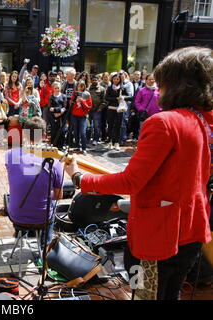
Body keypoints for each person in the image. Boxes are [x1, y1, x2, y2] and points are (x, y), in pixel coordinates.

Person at [66, 46, 213, 300]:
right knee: (171, 293)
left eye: (161, 82)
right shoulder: (203, 120)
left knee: (142, 292)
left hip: (157, 239)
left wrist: (79, 178)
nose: (157, 89)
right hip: (190, 231)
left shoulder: (163, 122)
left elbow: (131, 181)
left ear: (175, 84)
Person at [5, 117, 68, 247]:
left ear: (24, 134)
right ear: (44, 135)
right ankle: (44, 247)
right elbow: (58, 196)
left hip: (17, 216)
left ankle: (20, 234)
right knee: (50, 209)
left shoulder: (10, 154)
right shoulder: (55, 162)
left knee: (12, 195)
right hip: (42, 219)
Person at [69, 82, 92, 155]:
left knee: (82, 132)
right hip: (74, 115)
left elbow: (89, 106)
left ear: (84, 87)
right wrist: (74, 101)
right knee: (75, 131)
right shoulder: (75, 93)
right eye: (78, 86)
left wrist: (82, 101)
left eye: (81, 86)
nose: (79, 88)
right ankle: (77, 146)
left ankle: (84, 148)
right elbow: (71, 104)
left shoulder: (86, 94)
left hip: (82, 116)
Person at [105, 72, 125, 150]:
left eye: (117, 79)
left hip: (120, 109)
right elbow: (106, 98)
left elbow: (130, 96)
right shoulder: (109, 88)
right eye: (114, 79)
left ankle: (116, 142)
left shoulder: (122, 88)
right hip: (111, 108)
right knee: (110, 125)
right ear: (112, 79)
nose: (116, 80)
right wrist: (115, 98)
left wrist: (123, 97)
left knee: (118, 126)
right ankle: (110, 141)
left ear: (120, 80)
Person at [87, 75, 107, 146]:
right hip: (89, 109)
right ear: (91, 81)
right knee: (88, 125)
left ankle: (96, 139)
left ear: (98, 80)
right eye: (93, 80)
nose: (94, 81)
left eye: (96, 80)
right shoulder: (88, 88)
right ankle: (88, 138)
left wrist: (100, 108)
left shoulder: (102, 89)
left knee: (96, 125)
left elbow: (105, 100)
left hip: (97, 110)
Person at [48, 81, 67, 149]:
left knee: (61, 132)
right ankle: (53, 146)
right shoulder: (51, 97)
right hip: (53, 117)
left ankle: (61, 147)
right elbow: (50, 108)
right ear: (53, 88)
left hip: (62, 117)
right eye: (55, 88)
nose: (57, 89)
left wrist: (58, 112)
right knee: (54, 131)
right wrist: (58, 110)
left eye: (58, 88)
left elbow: (64, 107)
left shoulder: (64, 96)